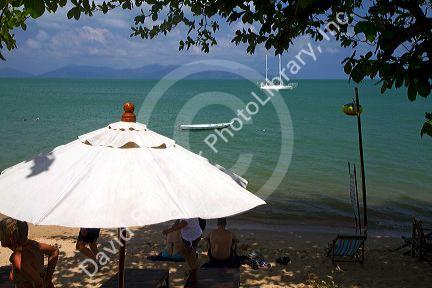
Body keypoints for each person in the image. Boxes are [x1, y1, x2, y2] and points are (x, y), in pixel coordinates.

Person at [0, 217, 59, 288]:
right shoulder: (33, 245)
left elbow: (38, 282)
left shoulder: (17, 257)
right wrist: (48, 278)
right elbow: (54, 251)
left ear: (10, 238)